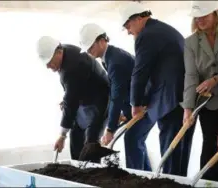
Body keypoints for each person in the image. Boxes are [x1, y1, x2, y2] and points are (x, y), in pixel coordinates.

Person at [118, 2, 190, 176]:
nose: (128, 31)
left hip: (170, 100)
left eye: (128, 26)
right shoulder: (164, 30)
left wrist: (136, 103)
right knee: (179, 153)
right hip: (183, 97)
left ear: (139, 18)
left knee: (169, 152)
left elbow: (141, 71)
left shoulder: (146, 35)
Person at [78, 23, 154, 171]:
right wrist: (123, 113)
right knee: (137, 142)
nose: (89, 51)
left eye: (91, 47)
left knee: (132, 140)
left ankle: (137, 180)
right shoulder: (110, 57)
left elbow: (116, 96)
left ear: (102, 41)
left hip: (144, 106)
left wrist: (110, 129)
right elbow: (122, 89)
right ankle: (147, 178)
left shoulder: (116, 61)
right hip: (137, 106)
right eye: (87, 49)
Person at [36, 36, 109, 162]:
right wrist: (68, 98)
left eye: (49, 61)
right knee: (76, 139)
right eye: (46, 63)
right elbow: (72, 93)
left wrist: (62, 136)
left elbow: (71, 101)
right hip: (83, 99)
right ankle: (78, 172)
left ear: (59, 52)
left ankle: (93, 176)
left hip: (100, 100)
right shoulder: (64, 52)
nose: (48, 66)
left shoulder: (73, 66)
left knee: (90, 143)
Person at [183, 1, 218, 181]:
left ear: (216, 14)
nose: (200, 19)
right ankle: (209, 183)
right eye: (197, 16)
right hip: (207, 102)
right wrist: (187, 108)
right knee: (210, 144)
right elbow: (190, 75)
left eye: (204, 15)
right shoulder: (190, 42)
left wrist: (216, 79)